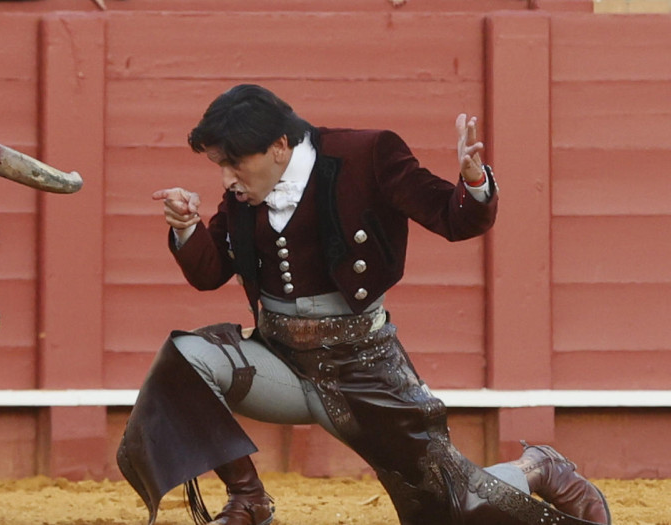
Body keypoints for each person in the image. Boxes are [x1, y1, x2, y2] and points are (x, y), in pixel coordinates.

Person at [115, 84, 611, 525]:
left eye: (233, 163)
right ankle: (249, 500)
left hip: (364, 371)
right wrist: (185, 227)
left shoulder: (368, 154)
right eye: (218, 165)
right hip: (280, 362)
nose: (225, 178)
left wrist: (473, 182)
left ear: (279, 146)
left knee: (454, 509)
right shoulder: (247, 191)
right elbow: (209, 274)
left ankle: (538, 466)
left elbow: (453, 219)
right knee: (186, 359)